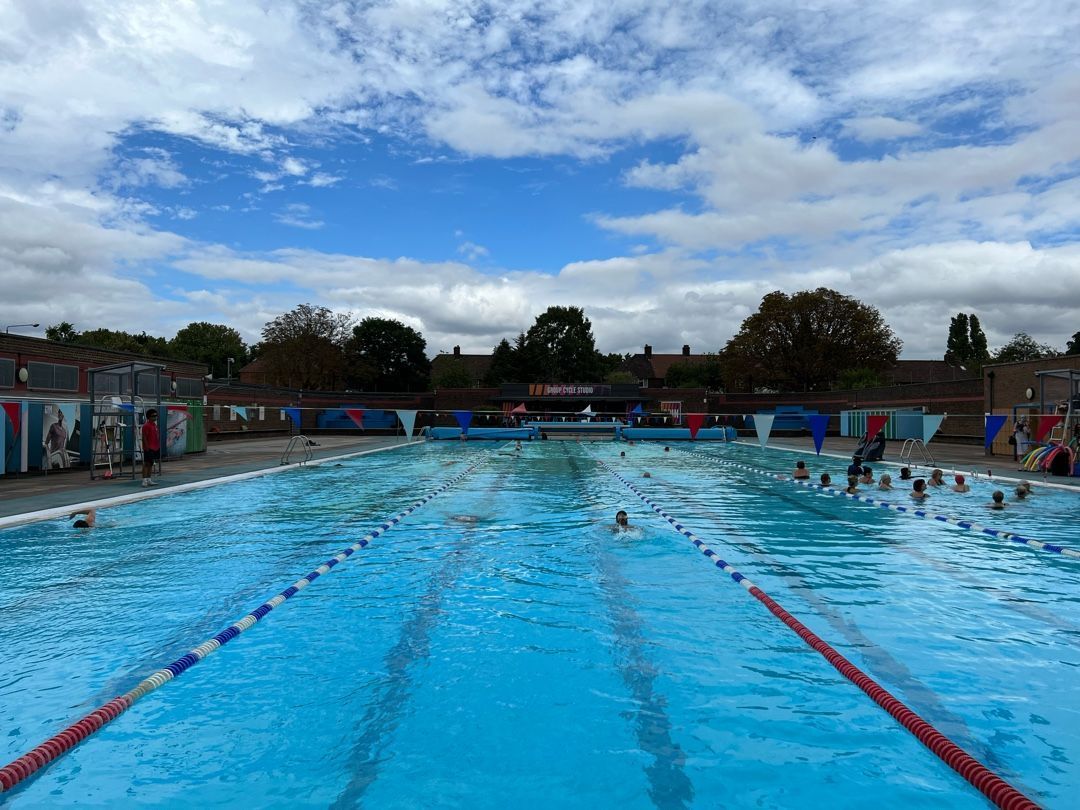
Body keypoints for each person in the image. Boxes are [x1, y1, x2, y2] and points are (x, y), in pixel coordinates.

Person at [141, 409, 160, 487]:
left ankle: (149, 479)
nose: (155, 417)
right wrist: (146, 447)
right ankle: (144, 480)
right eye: (153, 416)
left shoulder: (154, 425)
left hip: (155, 447)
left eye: (156, 416)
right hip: (149, 447)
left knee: (151, 463)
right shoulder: (146, 426)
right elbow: (144, 437)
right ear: (149, 417)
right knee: (146, 463)